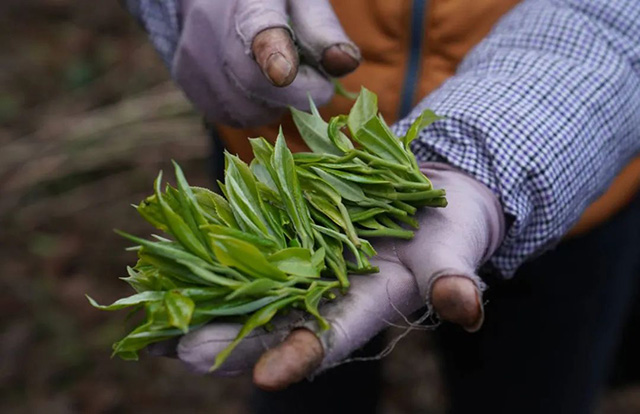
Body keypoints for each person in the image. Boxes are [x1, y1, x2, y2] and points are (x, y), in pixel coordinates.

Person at [124, 0, 640, 412]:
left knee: (532, 387)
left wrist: (488, 151)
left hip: (558, 162)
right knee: (299, 375)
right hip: (280, 150)